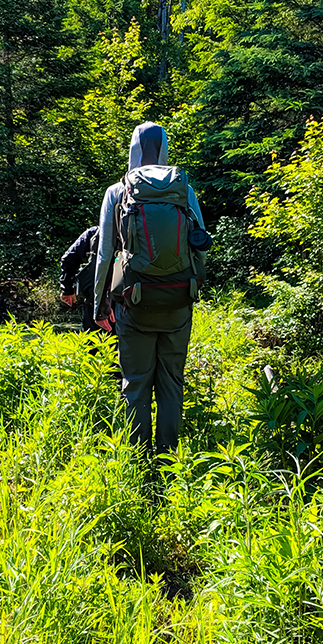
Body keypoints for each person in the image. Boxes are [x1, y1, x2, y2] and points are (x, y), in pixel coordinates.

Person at [92, 121, 207, 456]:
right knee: (171, 383)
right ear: (165, 148)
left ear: (133, 150)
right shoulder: (183, 189)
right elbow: (199, 244)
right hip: (178, 301)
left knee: (137, 383)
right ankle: (169, 457)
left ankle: (140, 462)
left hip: (133, 302)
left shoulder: (117, 192)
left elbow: (103, 256)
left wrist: (99, 305)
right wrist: (192, 287)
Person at [58, 225, 102, 332]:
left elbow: (69, 258)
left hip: (95, 299)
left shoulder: (95, 233)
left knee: (92, 343)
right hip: (130, 300)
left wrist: (67, 290)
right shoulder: (141, 232)